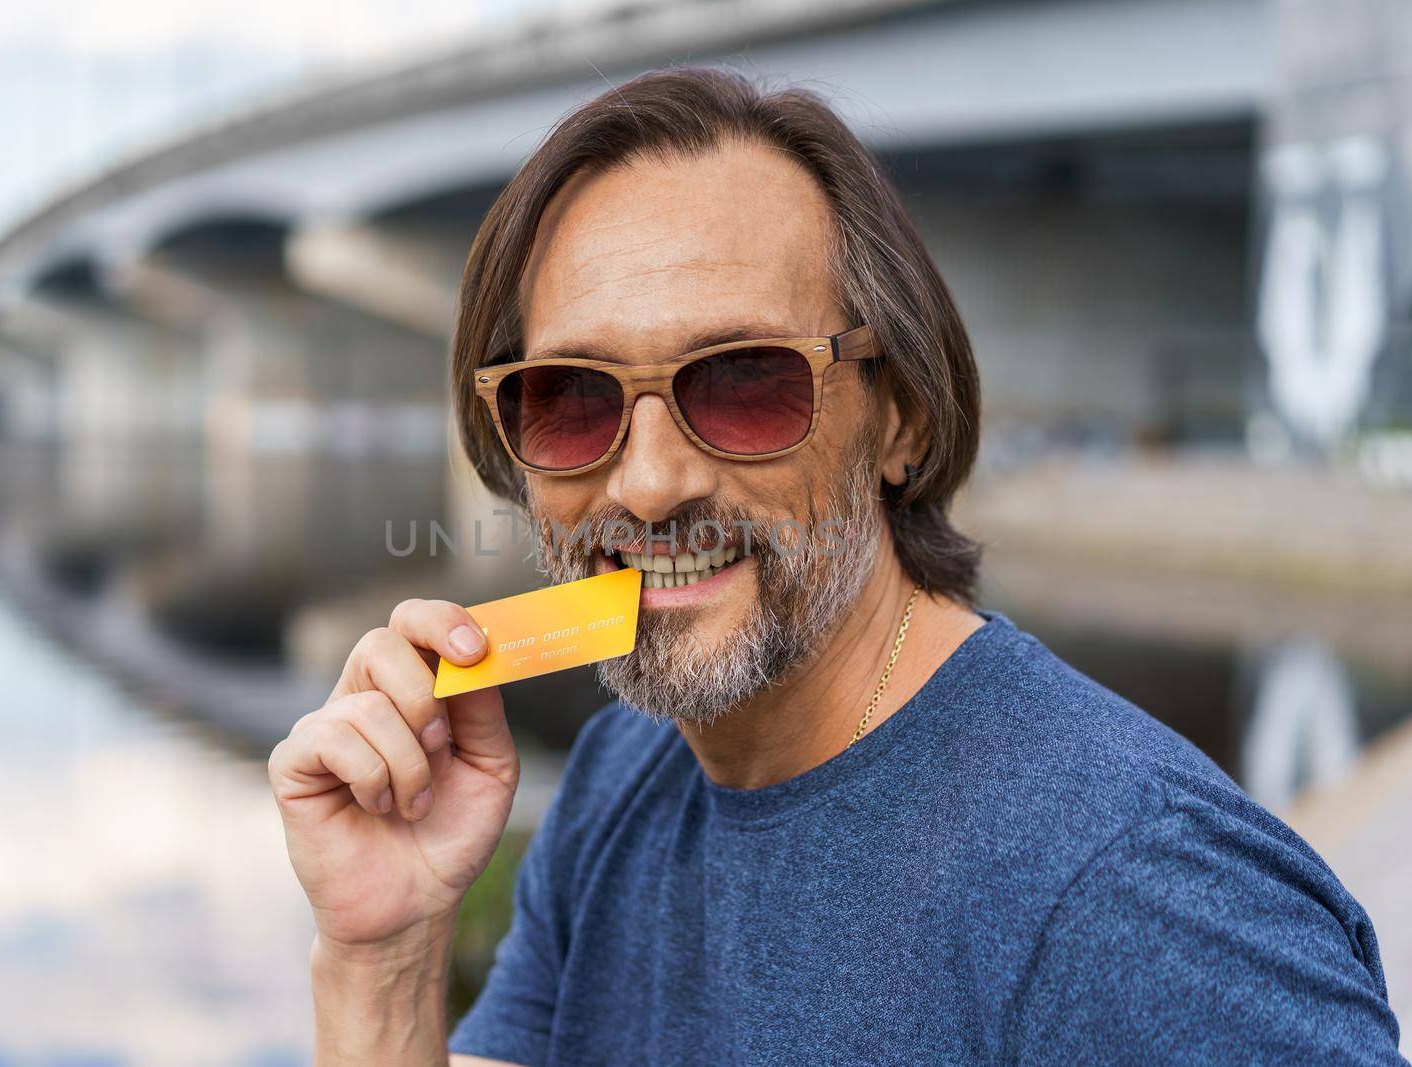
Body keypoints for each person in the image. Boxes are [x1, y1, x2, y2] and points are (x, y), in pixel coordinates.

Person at [268, 67, 1404, 1065]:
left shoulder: (1136, 890)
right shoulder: (627, 767)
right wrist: (384, 954)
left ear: (899, 420)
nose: (649, 482)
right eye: (569, 399)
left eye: (744, 380)